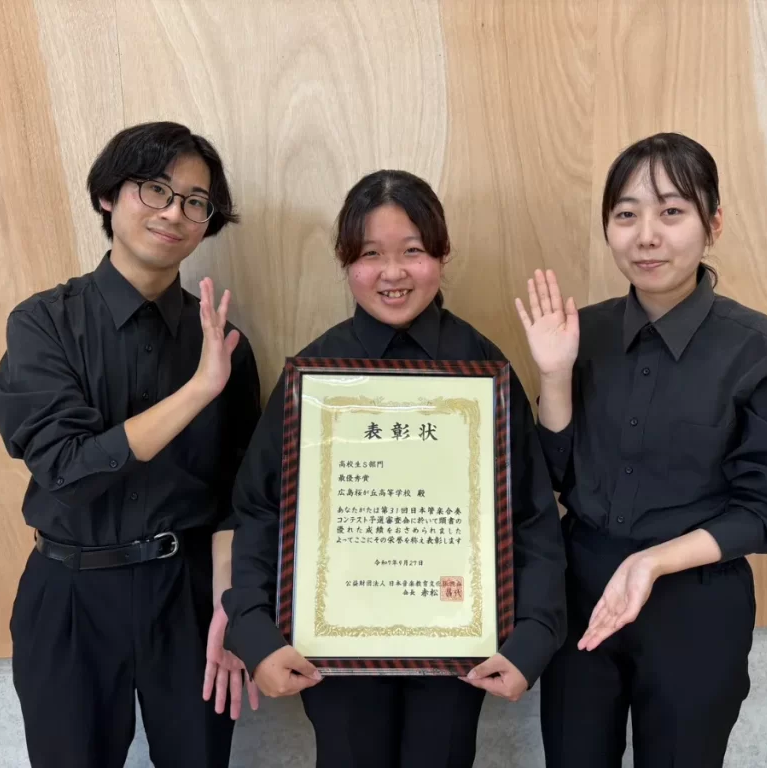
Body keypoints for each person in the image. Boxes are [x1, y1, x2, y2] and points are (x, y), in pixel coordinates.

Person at [221, 169, 567, 767]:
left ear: (442, 254)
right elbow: (259, 507)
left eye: (412, 251)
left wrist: (533, 636)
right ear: (345, 261)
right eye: (370, 254)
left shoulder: (482, 368)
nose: (392, 273)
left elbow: (531, 512)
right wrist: (254, 632)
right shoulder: (316, 372)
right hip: (333, 655)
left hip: (458, 650)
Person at [517, 132, 767, 767]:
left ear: (713, 223)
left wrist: (653, 562)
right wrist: (554, 374)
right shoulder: (579, 333)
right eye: (626, 214)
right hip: (582, 590)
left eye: (672, 211)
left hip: (698, 601)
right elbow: (551, 475)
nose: (646, 236)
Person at [0, 121, 262, 768]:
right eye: (155, 190)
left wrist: (232, 607)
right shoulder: (44, 323)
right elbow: (66, 467)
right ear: (109, 195)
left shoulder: (222, 343)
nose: (174, 213)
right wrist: (198, 390)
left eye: (195, 201)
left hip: (188, 596)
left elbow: (240, 496)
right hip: (70, 590)